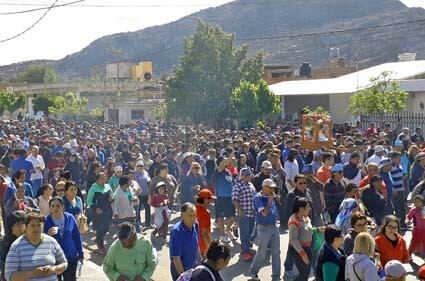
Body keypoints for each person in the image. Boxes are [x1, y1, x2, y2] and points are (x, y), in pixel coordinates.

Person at [4, 212, 68, 281]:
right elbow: (9, 275)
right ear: (25, 227)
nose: (36, 228)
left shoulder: (51, 242)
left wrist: (53, 269)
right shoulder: (16, 246)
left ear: (43, 226)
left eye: (39, 225)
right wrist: (33, 273)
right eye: (32, 225)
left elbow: (64, 263)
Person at [44, 197, 83, 281]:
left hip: (70, 256)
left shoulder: (70, 218)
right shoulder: (46, 220)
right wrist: (47, 234)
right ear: (49, 208)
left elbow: (76, 236)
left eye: (58, 206)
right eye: (53, 206)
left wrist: (80, 253)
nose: (55, 208)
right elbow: (40, 239)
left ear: (62, 207)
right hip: (54, 258)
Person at [248, 179, 281, 281]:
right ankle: (253, 272)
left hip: (274, 227)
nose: (272, 190)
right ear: (264, 187)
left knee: (276, 253)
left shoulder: (270, 195)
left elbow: (276, 209)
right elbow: (264, 213)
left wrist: (275, 199)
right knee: (262, 253)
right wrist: (270, 201)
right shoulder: (258, 198)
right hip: (263, 228)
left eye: (273, 188)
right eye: (270, 188)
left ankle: (276, 277)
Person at [286, 197, 315, 281]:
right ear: (301, 208)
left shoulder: (305, 217)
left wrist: (318, 230)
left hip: (307, 247)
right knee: (304, 273)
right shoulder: (294, 221)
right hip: (298, 250)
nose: (309, 209)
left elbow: (308, 229)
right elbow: (293, 239)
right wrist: (302, 254)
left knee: (307, 271)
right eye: (308, 207)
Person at [169, 203, 200, 281]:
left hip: (193, 268)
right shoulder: (177, 231)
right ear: (182, 216)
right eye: (190, 215)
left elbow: (196, 246)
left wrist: (200, 264)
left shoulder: (196, 225)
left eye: (194, 215)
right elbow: (176, 259)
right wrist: (184, 278)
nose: (193, 218)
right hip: (181, 271)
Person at [231, 168, 257, 261]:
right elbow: (234, 200)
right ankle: (245, 251)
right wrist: (240, 210)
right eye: (249, 175)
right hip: (243, 214)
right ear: (244, 176)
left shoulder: (251, 185)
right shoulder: (238, 186)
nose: (250, 177)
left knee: (251, 232)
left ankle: (246, 247)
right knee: (244, 233)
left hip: (252, 213)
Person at [87, 172, 113, 256]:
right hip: (98, 212)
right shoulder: (93, 189)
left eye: (104, 178)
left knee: (106, 228)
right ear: (97, 180)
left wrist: (111, 198)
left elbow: (112, 196)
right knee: (100, 229)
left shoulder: (108, 186)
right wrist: (95, 208)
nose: (103, 180)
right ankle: (101, 247)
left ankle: (98, 238)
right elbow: (89, 201)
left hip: (108, 211)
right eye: (101, 178)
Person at [213, 156, 236, 243]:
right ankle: (223, 234)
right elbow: (222, 165)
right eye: (223, 161)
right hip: (220, 197)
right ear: (219, 163)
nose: (227, 162)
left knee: (232, 216)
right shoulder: (218, 171)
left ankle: (227, 230)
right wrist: (230, 156)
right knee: (220, 216)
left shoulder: (228, 171)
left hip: (230, 197)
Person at [0, 211, 25, 281]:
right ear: (11, 227)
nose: (22, 227)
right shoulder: (4, 243)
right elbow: (4, 268)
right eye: (18, 224)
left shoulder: (29, 240)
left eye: (23, 223)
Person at [196, 189, 216, 257]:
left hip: (193, 245)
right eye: (210, 199)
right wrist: (210, 248)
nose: (211, 202)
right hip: (202, 248)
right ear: (205, 199)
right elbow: (205, 234)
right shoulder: (204, 213)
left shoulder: (192, 209)